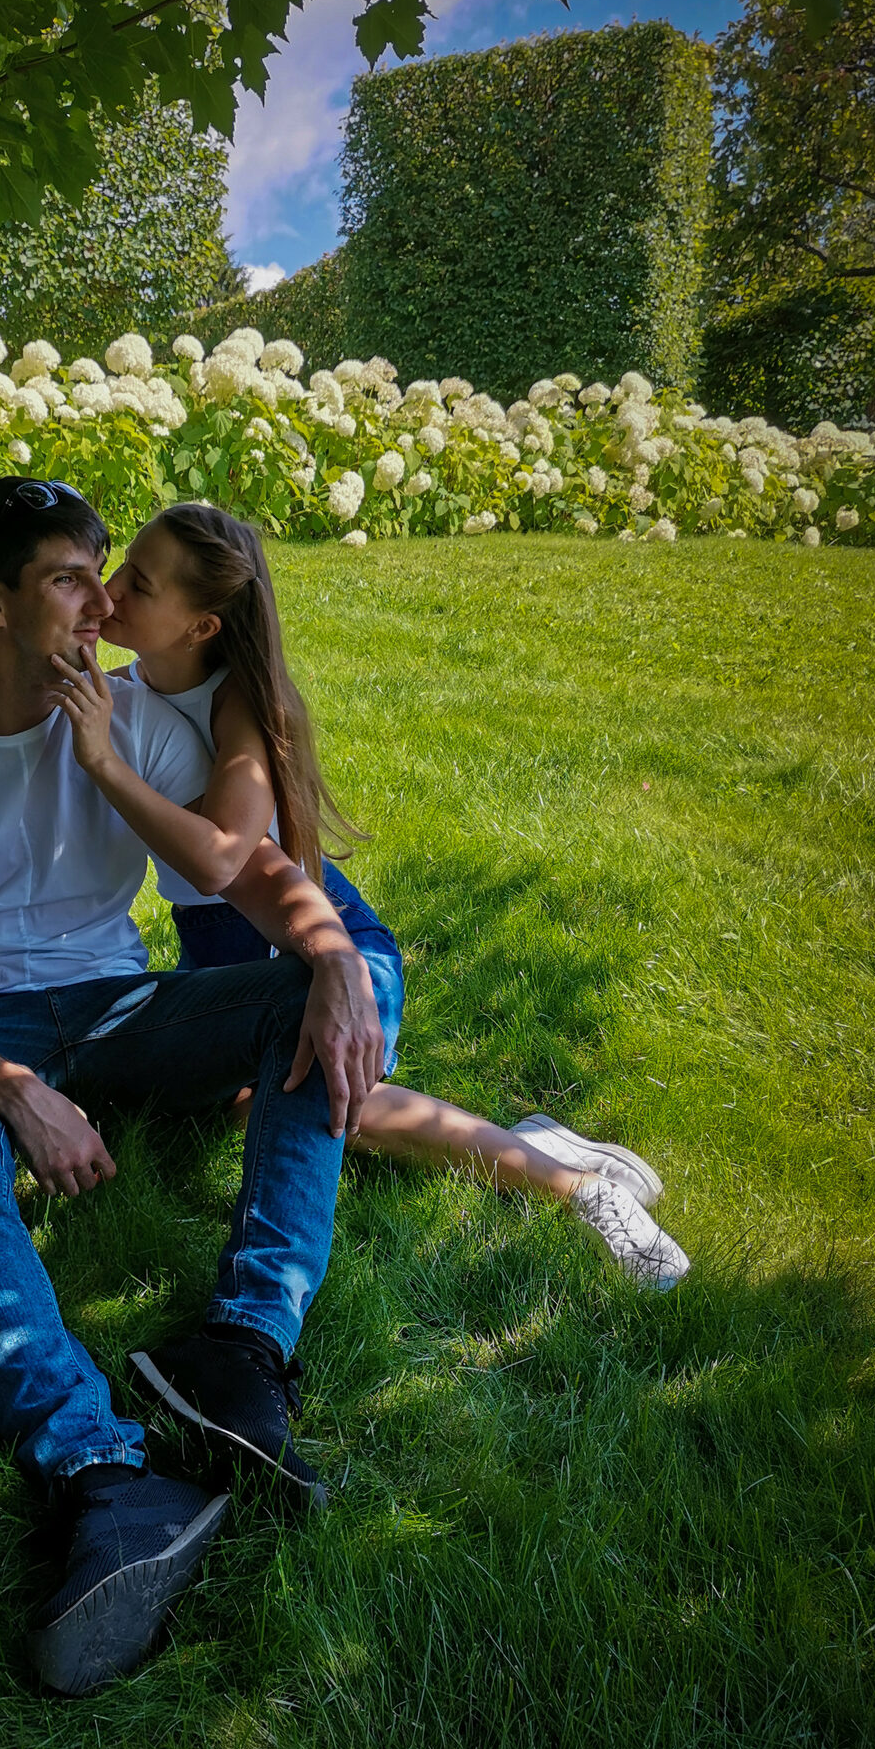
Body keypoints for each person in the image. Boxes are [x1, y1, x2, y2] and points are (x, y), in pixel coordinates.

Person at [0, 477, 399, 1698]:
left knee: (315, 995)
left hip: (119, 1006)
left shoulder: (130, 720)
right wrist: (12, 1089)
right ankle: (101, 1473)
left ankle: (245, 1346)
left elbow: (255, 873)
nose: (104, 603)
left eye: (109, 574)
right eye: (71, 580)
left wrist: (337, 957)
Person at [46, 501, 690, 1291]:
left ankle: (582, 1191)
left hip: (322, 941)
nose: (109, 592)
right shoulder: (129, 689)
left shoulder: (237, 703)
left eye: (139, 584)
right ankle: (538, 1146)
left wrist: (107, 762)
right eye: (120, 567)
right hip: (219, 949)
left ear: (201, 627)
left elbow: (220, 859)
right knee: (208, 1103)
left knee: (302, 1099)